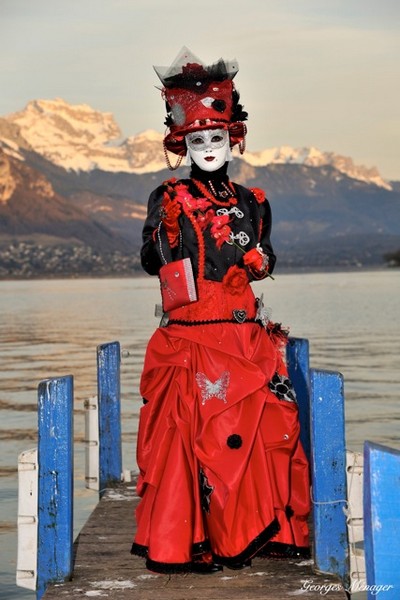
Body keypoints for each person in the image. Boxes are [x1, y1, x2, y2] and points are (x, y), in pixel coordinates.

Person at [131, 47, 310, 574]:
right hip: (192, 338)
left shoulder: (253, 200)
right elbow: (149, 260)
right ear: (182, 143)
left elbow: (265, 258)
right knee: (191, 441)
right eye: (196, 139)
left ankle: (262, 532)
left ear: (233, 137)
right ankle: (188, 541)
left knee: (264, 433)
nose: (207, 147)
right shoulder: (167, 196)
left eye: (216, 137)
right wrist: (171, 238)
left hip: (245, 338)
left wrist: (254, 256)